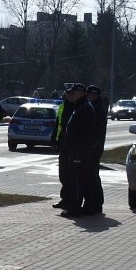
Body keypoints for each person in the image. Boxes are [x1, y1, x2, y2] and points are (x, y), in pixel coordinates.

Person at [59, 83, 96, 217]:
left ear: (80, 93)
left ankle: (76, 207)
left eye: (73, 93)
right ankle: (87, 206)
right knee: (81, 179)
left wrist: (78, 147)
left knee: (78, 180)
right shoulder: (80, 106)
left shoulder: (84, 107)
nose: (71, 95)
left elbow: (84, 131)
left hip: (80, 150)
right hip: (77, 148)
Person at [84, 85, 108, 214]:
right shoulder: (89, 106)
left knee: (92, 175)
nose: (91, 97)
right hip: (90, 145)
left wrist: (93, 144)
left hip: (94, 146)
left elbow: (95, 129)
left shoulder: (98, 109)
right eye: (89, 94)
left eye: (93, 95)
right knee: (89, 176)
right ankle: (91, 202)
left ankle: (96, 203)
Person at [50, 88, 75, 209]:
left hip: (73, 145)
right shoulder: (62, 107)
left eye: (71, 94)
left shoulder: (78, 107)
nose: (69, 96)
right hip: (62, 143)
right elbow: (58, 124)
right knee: (63, 174)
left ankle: (71, 200)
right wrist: (54, 138)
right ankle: (65, 199)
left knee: (71, 174)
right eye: (67, 94)